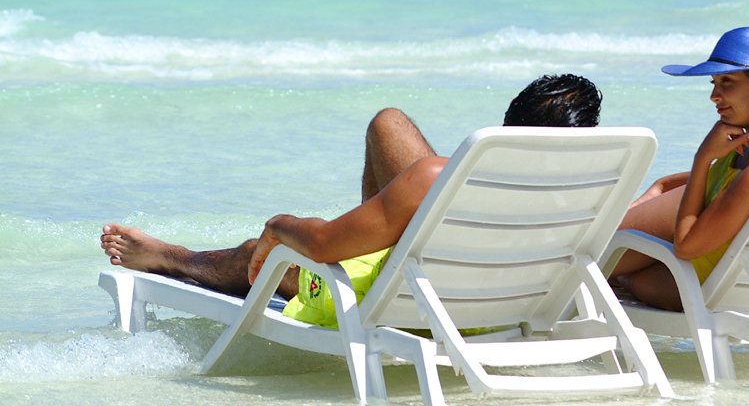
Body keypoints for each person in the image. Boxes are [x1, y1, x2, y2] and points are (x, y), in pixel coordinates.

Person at [100, 74, 602, 322]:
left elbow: (320, 245)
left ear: (506, 128)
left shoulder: (435, 178)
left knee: (271, 253)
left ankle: (172, 258)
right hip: (508, 306)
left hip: (408, 306)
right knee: (390, 124)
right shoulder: (591, 186)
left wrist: (280, 226)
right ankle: (373, 233)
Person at [610, 26, 749, 311]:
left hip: (693, 285)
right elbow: (691, 185)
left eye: (727, 82)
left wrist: (703, 158)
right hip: (725, 282)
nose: (714, 95)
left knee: (596, 253)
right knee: (618, 239)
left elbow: (686, 246)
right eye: (713, 83)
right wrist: (660, 187)